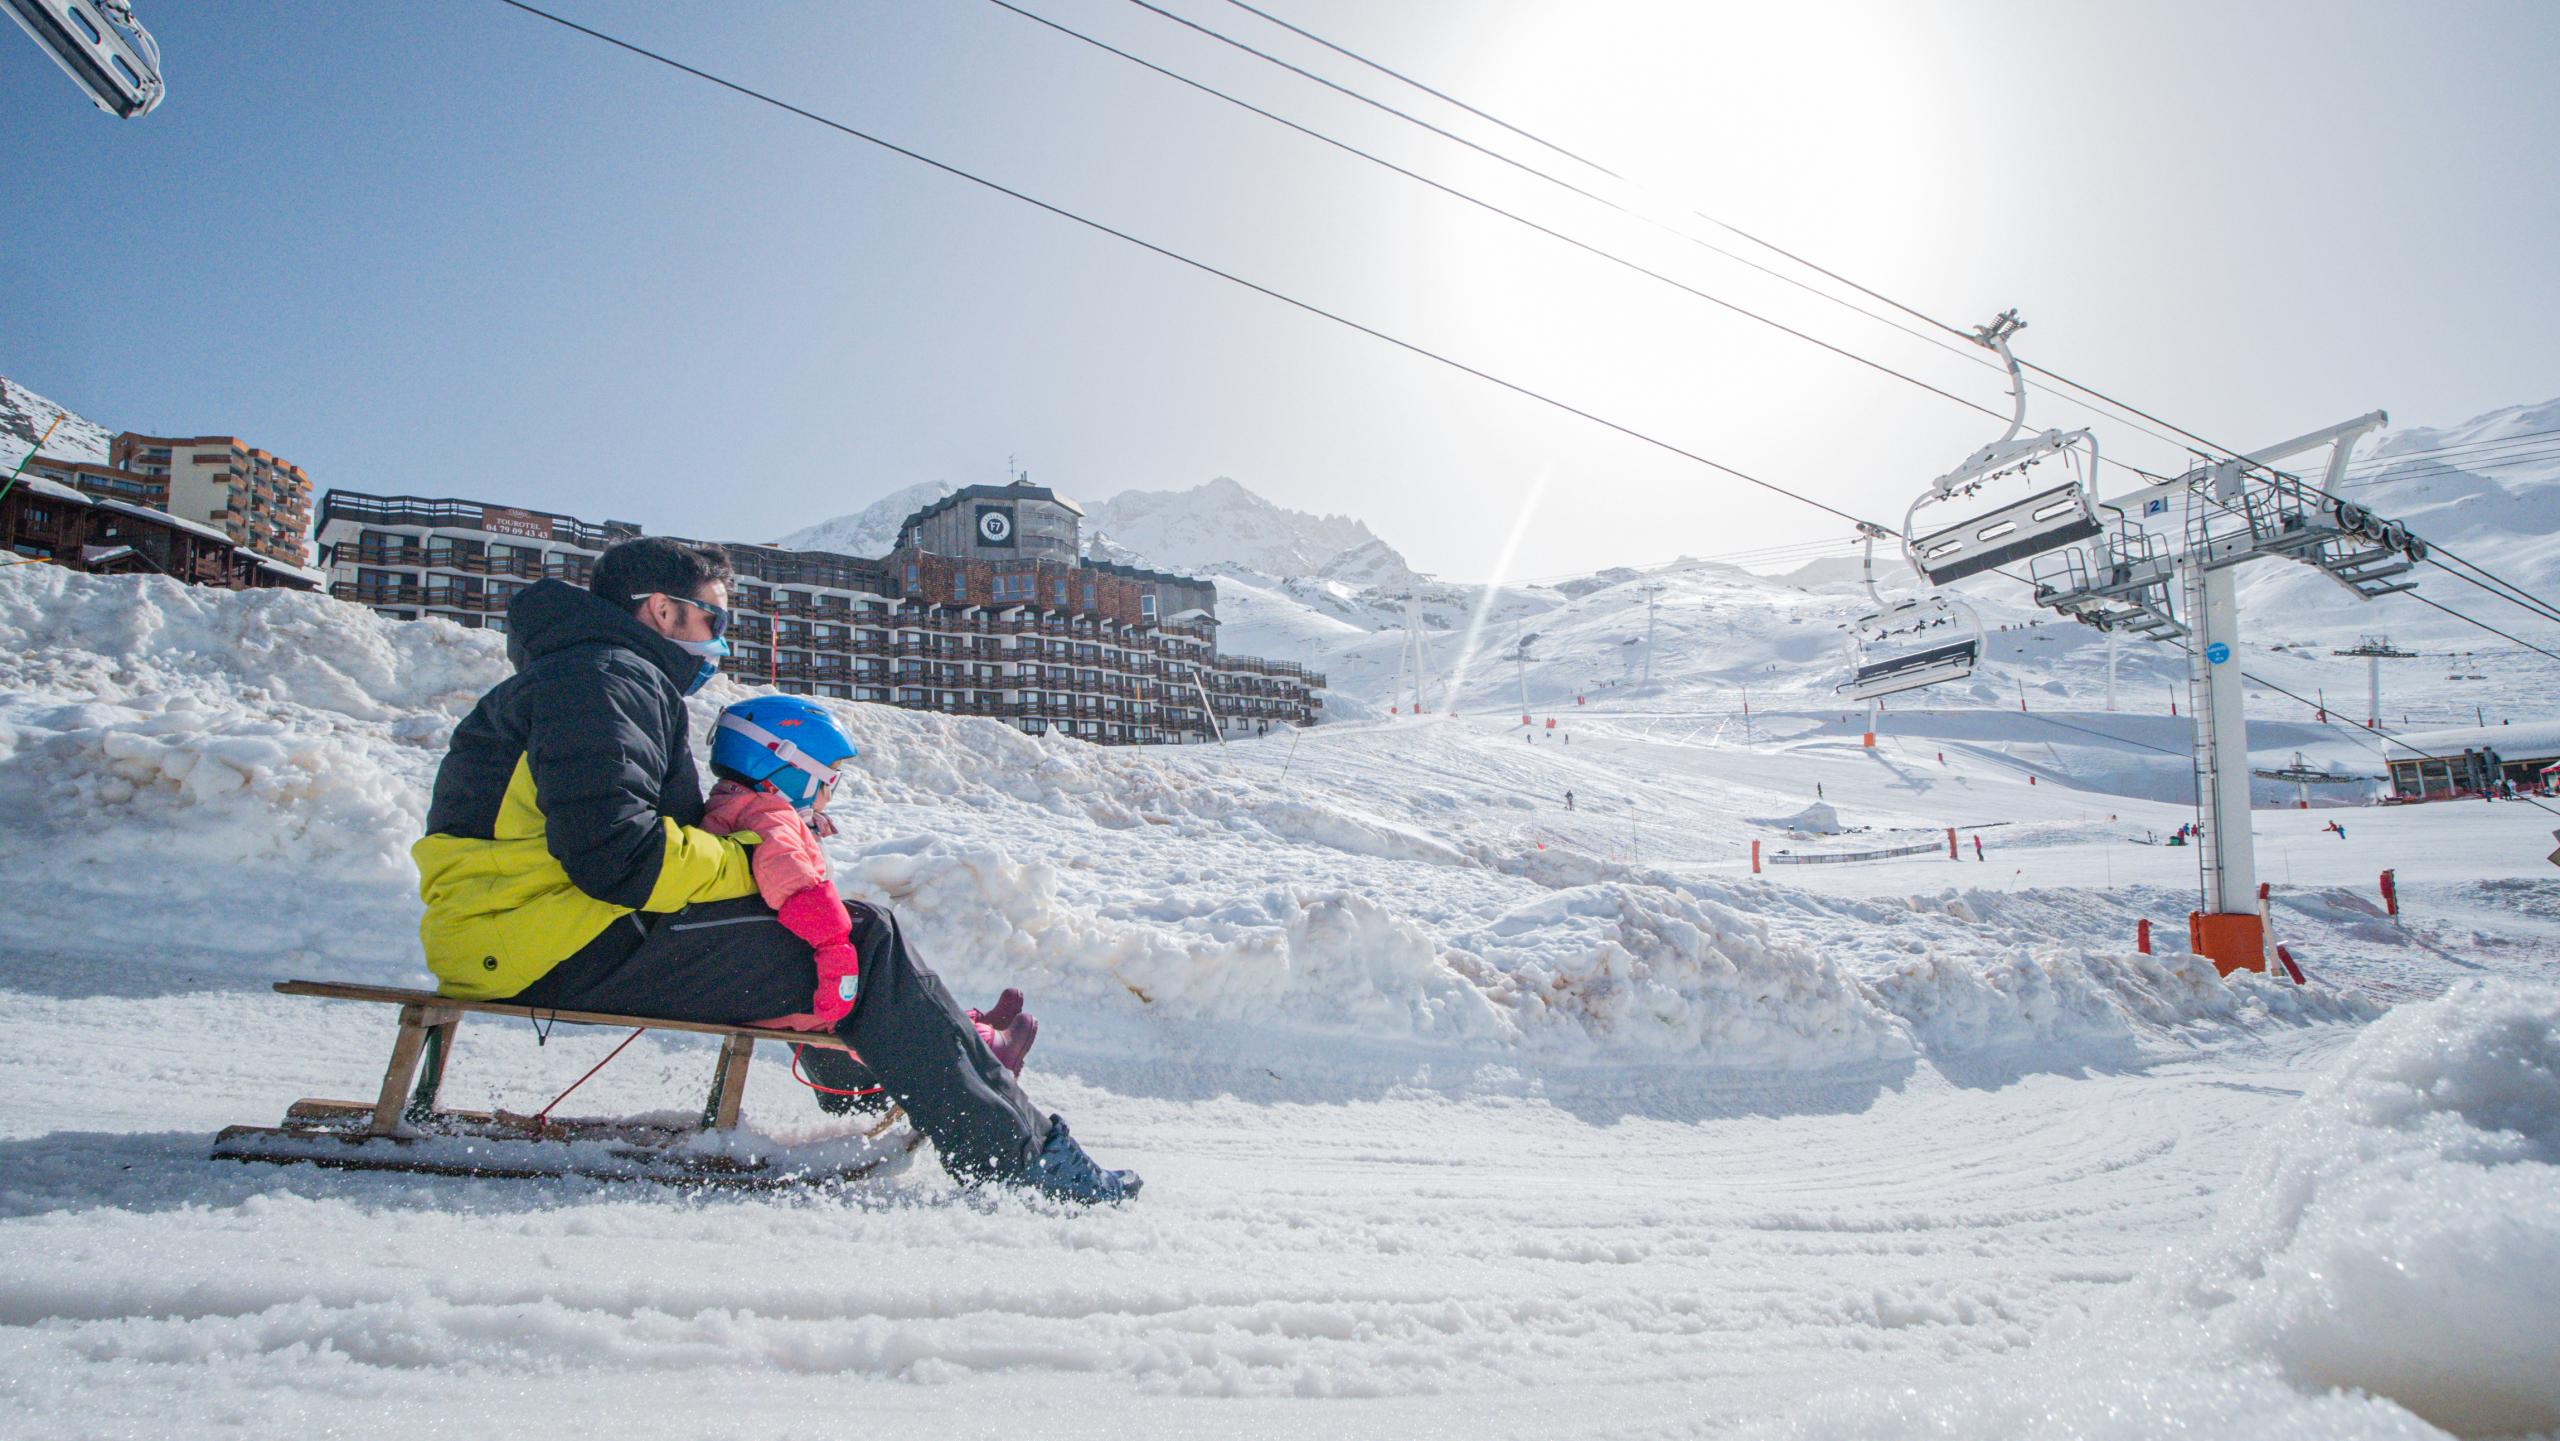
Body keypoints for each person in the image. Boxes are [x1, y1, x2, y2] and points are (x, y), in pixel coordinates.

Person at [411, 537, 1137, 1203]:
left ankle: (909, 1071)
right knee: (863, 936)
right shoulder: (604, 678)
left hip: (529, 931)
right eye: (712, 621)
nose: (719, 643)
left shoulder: (589, 673)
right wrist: (753, 857)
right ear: (662, 610)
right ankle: (1021, 1160)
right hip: (546, 941)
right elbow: (617, 856)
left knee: (809, 925)